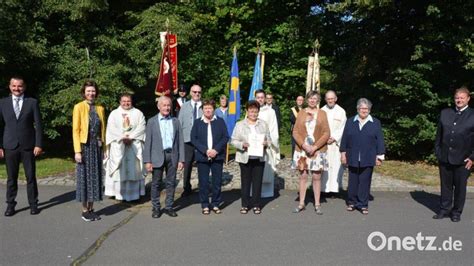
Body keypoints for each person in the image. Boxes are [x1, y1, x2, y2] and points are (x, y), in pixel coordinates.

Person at [0, 76, 43, 216]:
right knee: (11, 178)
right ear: (10, 86)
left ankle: (33, 204)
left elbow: (39, 125)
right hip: (9, 145)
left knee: (30, 177)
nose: (16, 88)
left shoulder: (32, 102)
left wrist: (38, 144)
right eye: (14, 86)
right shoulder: (3, 103)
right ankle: (10, 205)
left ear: (24, 87)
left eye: (19, 86)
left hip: (28, 145)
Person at [433, 86, 474, 222]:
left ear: (468, 99)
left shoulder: (473, 115)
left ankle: (456, 212)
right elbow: (439, 135)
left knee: (460, 187)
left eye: (462, 97)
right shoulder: (445, 113)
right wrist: (438, 152)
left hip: (464, 159)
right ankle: (445, 209)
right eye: (457, 97)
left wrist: (472, 157)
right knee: (446, 186)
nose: (459, 100)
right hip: (444, 157)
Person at [340, 98, 385, 215]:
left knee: (365, 181)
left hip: (369, 156)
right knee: (353, 180)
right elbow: (344, 138)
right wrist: (343, 153)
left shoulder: (375, 122)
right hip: (352, 155)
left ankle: (363, 204)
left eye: (366, 108)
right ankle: (352, 202)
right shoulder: (350, 121)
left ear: (369, 110)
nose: (364, 110)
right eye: (361, 108)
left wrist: (380, 156)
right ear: (357, 109)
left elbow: (380, 140)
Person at [143, 96, 184, 218]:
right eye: (164, 105)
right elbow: (148, 142)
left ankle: (169, 206)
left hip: (172, 155)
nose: (167, 108)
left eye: (168, 105)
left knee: (171, 183)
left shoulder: (176, 121)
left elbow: (180, 141)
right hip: (157, 156)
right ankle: (156, 208)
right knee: (156, 183)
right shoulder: (152, 121)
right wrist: (147, 161)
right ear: (158, 106)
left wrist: (181, 159)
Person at [73, 80, 106, 221]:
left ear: (96, 92)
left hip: (96, 147)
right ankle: (84, 210)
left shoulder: (100, 108)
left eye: (93, 91)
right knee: (85, 178)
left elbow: (103, 130)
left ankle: (92, 208)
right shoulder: (78, 107)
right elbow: (76, 130)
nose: (91, 93)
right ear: (84, 93)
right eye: (88, 91)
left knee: (95, 177)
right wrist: (77, 151)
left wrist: (104, 148)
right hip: (84, 146)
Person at [292, 91, 330, 215]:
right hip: (302, 150)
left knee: (316, 176)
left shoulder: (322, 114)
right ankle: (301, 203)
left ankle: (317, 204)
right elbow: (295, 132)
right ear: (307, 100)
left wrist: (315, 147)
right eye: (310, 98)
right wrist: (303, 145)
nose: (312, 100)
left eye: (315, 98)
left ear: (318, 100)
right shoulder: (301, 113)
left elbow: (326, 133)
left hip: (317, 150)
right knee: (303, 176)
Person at [231, 100, 271, 215]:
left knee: (257, 182)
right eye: (251, 111)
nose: (253, 114)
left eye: (255, 111)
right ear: (247, 111)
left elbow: (269, 139)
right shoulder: (240, 124)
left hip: (259, 158)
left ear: (258, 112)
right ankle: (245, 204)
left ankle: (256, 204)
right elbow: (233, 140)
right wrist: (242, 145)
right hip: (245, 157)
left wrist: (266, 143)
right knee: (245, 182)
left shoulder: (263, 124)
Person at [104, 93, 146, 201]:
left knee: (134, 169)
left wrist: (131, 137)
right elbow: (111, 129)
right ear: (120, 102)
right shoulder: (114, 114)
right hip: (119, 146)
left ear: (131, 101)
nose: (126, 103)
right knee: (119, 170)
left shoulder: (138, 113)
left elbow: (142, 127)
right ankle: (118, 194)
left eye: (128, 101)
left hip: (133, 146)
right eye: (124, 101)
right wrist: (122, 138)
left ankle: (134, 195)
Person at [191, 99, 228, 215]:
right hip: (203, 156)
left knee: (217, 182)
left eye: (210, 108)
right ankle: (205, 205)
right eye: (205, 108)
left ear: (213, 109)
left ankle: (216, 204)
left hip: (217, 156)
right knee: (203, 182)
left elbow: (225, 137)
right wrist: (205, 150)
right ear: (202, 110)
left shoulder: (220, 121)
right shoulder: (197, 122)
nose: (208, 110)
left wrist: (216, 150)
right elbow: (194, 138)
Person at [178, 84, 203, 196]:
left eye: (199, 92)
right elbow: (180, 123)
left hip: (202, 140)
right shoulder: (184, 106)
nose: (197, 94)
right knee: (187, 164)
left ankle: (203, 186)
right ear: (190, 93)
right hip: (187, 140)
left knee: (202, 164)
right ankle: (186, 187)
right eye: (194, 92)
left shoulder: (205, 106)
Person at [255, 89, 280, 198]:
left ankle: (266, 193)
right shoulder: (251, 110)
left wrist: (269, 142)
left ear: (265, 99)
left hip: (266, 145)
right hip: (254, 146)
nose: (260, 99)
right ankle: (254, 192)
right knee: (254, 170)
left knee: (266, 169)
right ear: (255, 98)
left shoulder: (271, 112)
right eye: (258, 97)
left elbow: (274, 129)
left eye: (262, 97)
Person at [321, 90, 346, 196]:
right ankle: (323, 189)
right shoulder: (321, 111)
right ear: (325, 99)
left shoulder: (341, 111)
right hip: (324, 144)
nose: (330, 100)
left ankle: (334, 190)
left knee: (335, 167)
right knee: (324, 167)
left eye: (332, 98)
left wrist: (334, 138)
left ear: (336, 99)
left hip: (335, 144)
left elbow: (343, 127)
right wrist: (324, 138)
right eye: (328, 99)